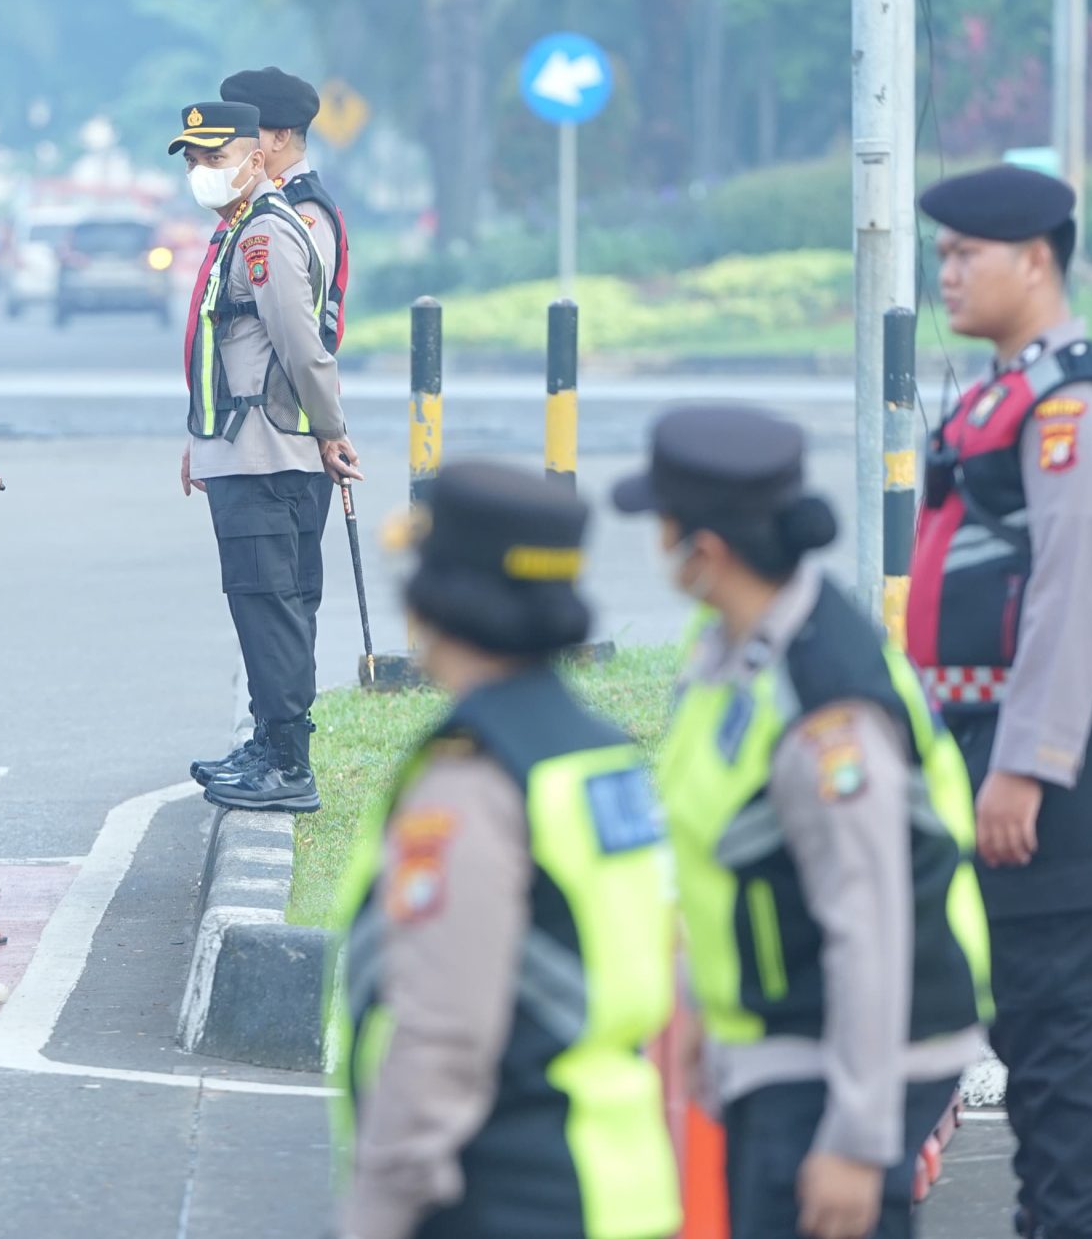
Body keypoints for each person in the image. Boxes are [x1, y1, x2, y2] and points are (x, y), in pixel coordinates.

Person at [618, 406, 991, 1239]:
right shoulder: (732, 652)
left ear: (704, 552)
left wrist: (857, 1142)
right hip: (781, 1038)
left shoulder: (827, 706)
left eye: (662, 524)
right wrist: (704, 1012)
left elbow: (869, 926)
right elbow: (728, 861)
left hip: (845, 1057)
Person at [907, 165, 1092, 1239]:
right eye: (942, 257)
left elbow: (1070, 598)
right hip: (971, 736)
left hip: (1040, 757)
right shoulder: (999, 391)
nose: (948, 274)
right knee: (970, 999)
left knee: (1054, 1036)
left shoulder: (1075, 406)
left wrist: (1024, 764)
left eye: (967, 255)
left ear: (1037, 259)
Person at [331, 461, 680, 1239]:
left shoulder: (473, 778)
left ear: (433, 600)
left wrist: (377, 1212)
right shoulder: (602, 755)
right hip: (622, 1188)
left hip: (505, 1195)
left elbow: (440, 1035)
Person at [174, 98, 359, 814]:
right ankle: (268, 744)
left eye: (214, 158)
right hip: (239, 452)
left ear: (258, 156)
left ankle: (287, 761)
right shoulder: (240, 230)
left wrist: (331, 427)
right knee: (259, 604)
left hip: (268, 455)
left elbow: (302, 344)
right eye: (194, 159)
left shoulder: (268, 235)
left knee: (272, 605)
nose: (201, 171)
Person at [223, 66, 351, 339]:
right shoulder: (255, 201)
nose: (229, 141)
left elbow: (302, 339)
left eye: (242, 131)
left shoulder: (302, 211)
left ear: (280, 137)